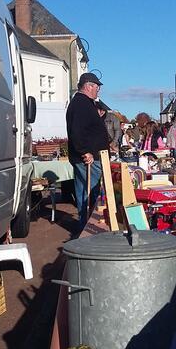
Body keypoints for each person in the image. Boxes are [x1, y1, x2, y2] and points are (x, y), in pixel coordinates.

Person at [66, 72, 110, 230]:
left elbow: (87, 128)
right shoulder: (81, 103)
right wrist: (85, 151)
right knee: (90, 193)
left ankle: (84, 224)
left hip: (88, 157)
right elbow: (76, 131)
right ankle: (87, 227)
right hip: (88, 159)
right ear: (88, 86)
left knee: (85, 191)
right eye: (97, 87)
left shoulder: (83, 103)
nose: (98, 90)